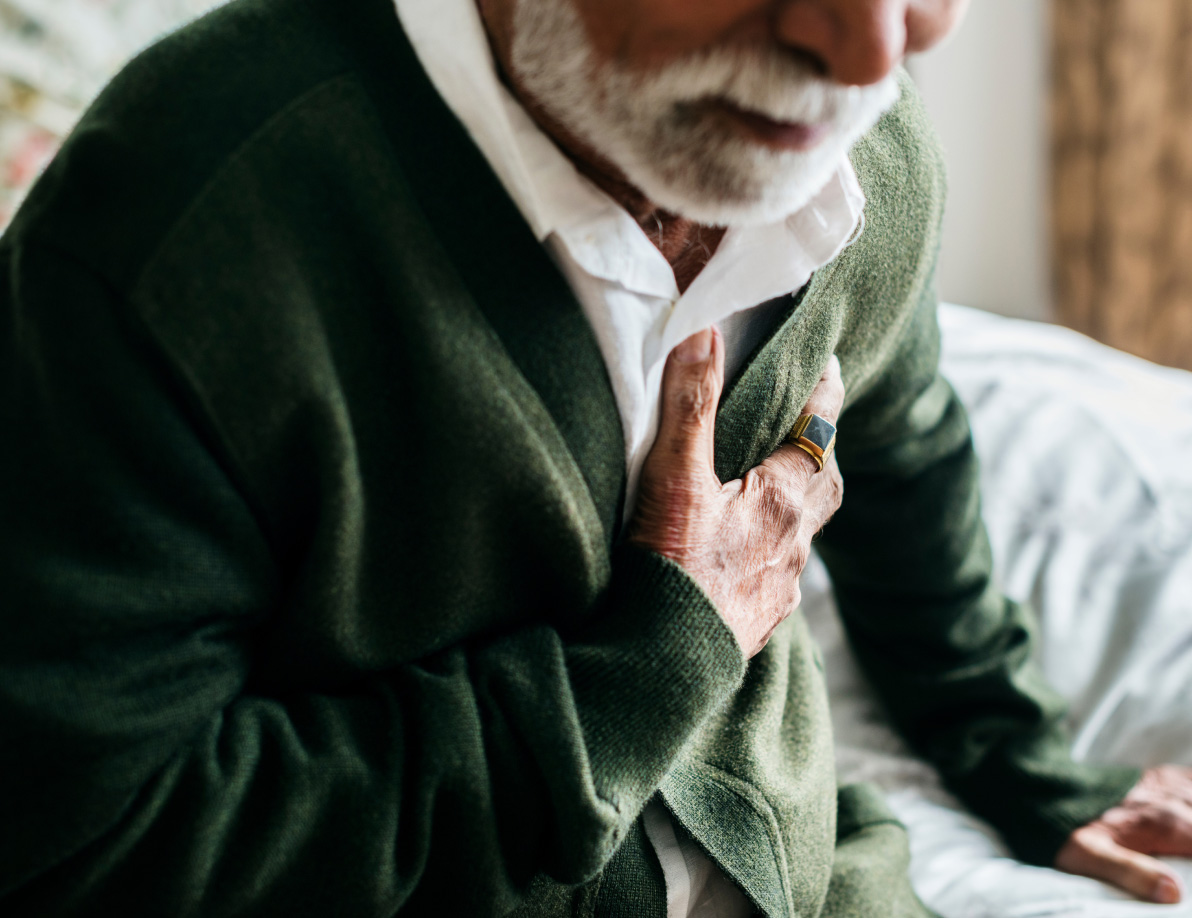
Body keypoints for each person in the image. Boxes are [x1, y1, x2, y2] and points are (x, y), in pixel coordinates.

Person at [0, 0, 1189, 915]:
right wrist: (647, 668)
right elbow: (83, 844)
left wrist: (1022, 764)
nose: (873, 53)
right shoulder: (173, 224)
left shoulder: (873, 158)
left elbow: (906, 453)